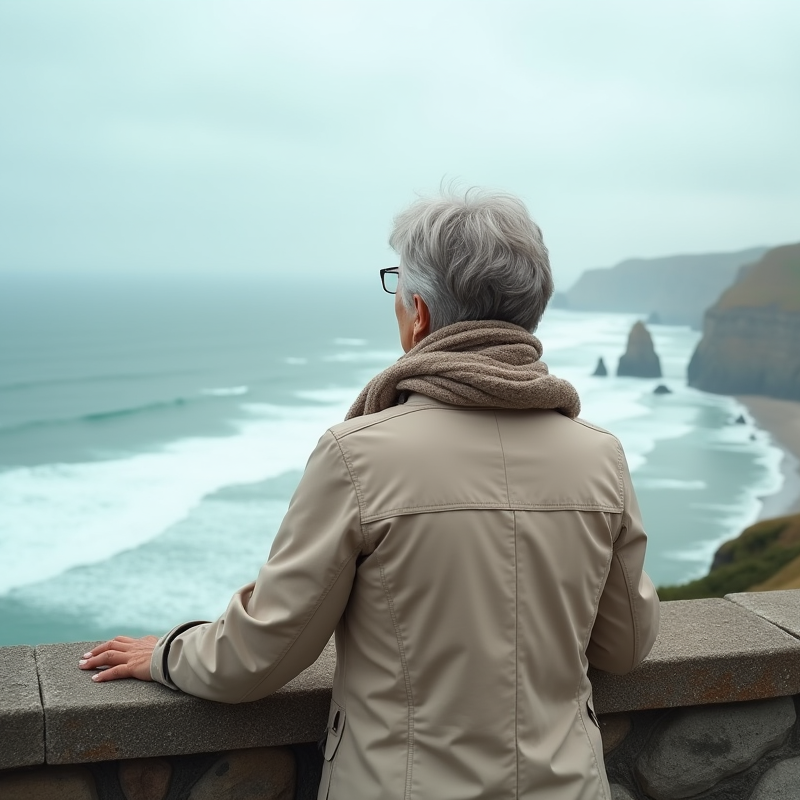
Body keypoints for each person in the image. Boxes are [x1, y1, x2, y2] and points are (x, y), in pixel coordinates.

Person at [80, 189, 660, 800]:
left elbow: (262, 652)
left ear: (421, 313)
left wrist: (168, 654)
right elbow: (624, 646)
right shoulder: (601, 457)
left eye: (397, 290)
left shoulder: (359, 454)